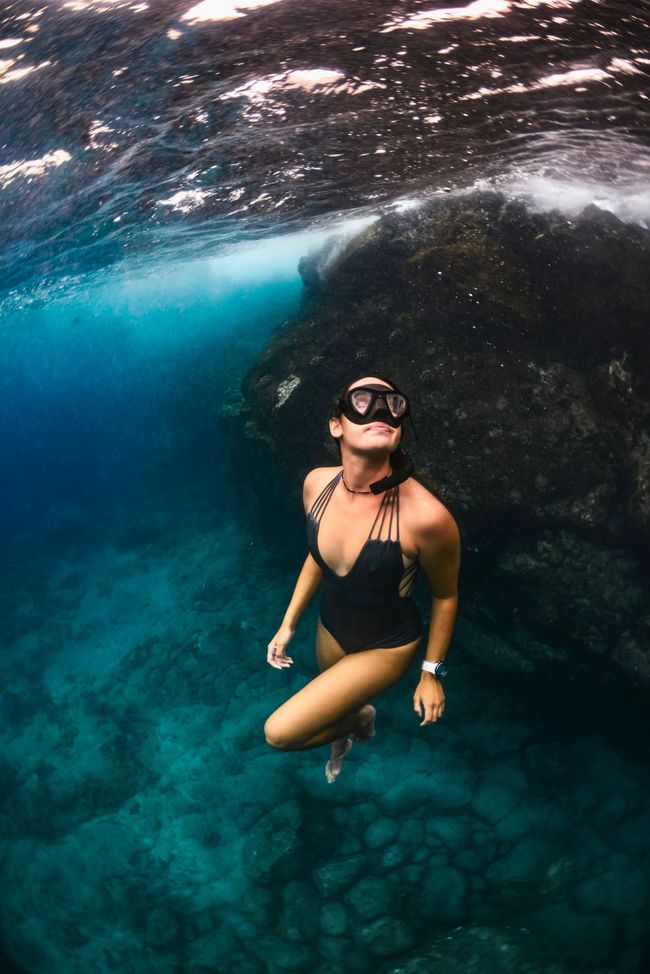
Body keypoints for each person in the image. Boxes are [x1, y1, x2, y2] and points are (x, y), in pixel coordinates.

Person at [263, 374, 460, 782]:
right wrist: (287, 625)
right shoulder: (316, 484)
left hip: (387, 645)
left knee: (279, 733)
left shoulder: (427, 518)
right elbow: (318, 556)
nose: (380, 411)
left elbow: (445, 597)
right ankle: (344, 743)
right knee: (340, 707)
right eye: (364, 400)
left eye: (393, 404)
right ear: (336, 424)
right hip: (331, 626)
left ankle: (358, 723)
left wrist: (430, 674)